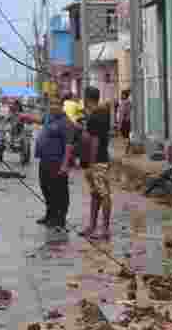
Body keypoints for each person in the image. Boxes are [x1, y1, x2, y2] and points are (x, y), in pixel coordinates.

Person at [33, 96, 75, 230]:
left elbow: (69, 145)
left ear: (62, 106)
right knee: (46, 188)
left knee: (59, 192)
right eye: (52, 104)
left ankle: (60, 219)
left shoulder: (66, 122)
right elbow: (39, 121)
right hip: (45, 160)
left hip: (57, 162)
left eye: (57, 104)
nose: (54, 106)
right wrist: (25, 117)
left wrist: (65, 165)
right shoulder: (48, 117)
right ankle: (49, 215)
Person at [80, 86, 113, 240]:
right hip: (99, 159)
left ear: (87, 98)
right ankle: (92, 226)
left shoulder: (95, 117)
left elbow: (95, 141)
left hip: (97, 161)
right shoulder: (102, 114)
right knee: (95, 194)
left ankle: (104, 229)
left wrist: (91, 165)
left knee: (103, 193)